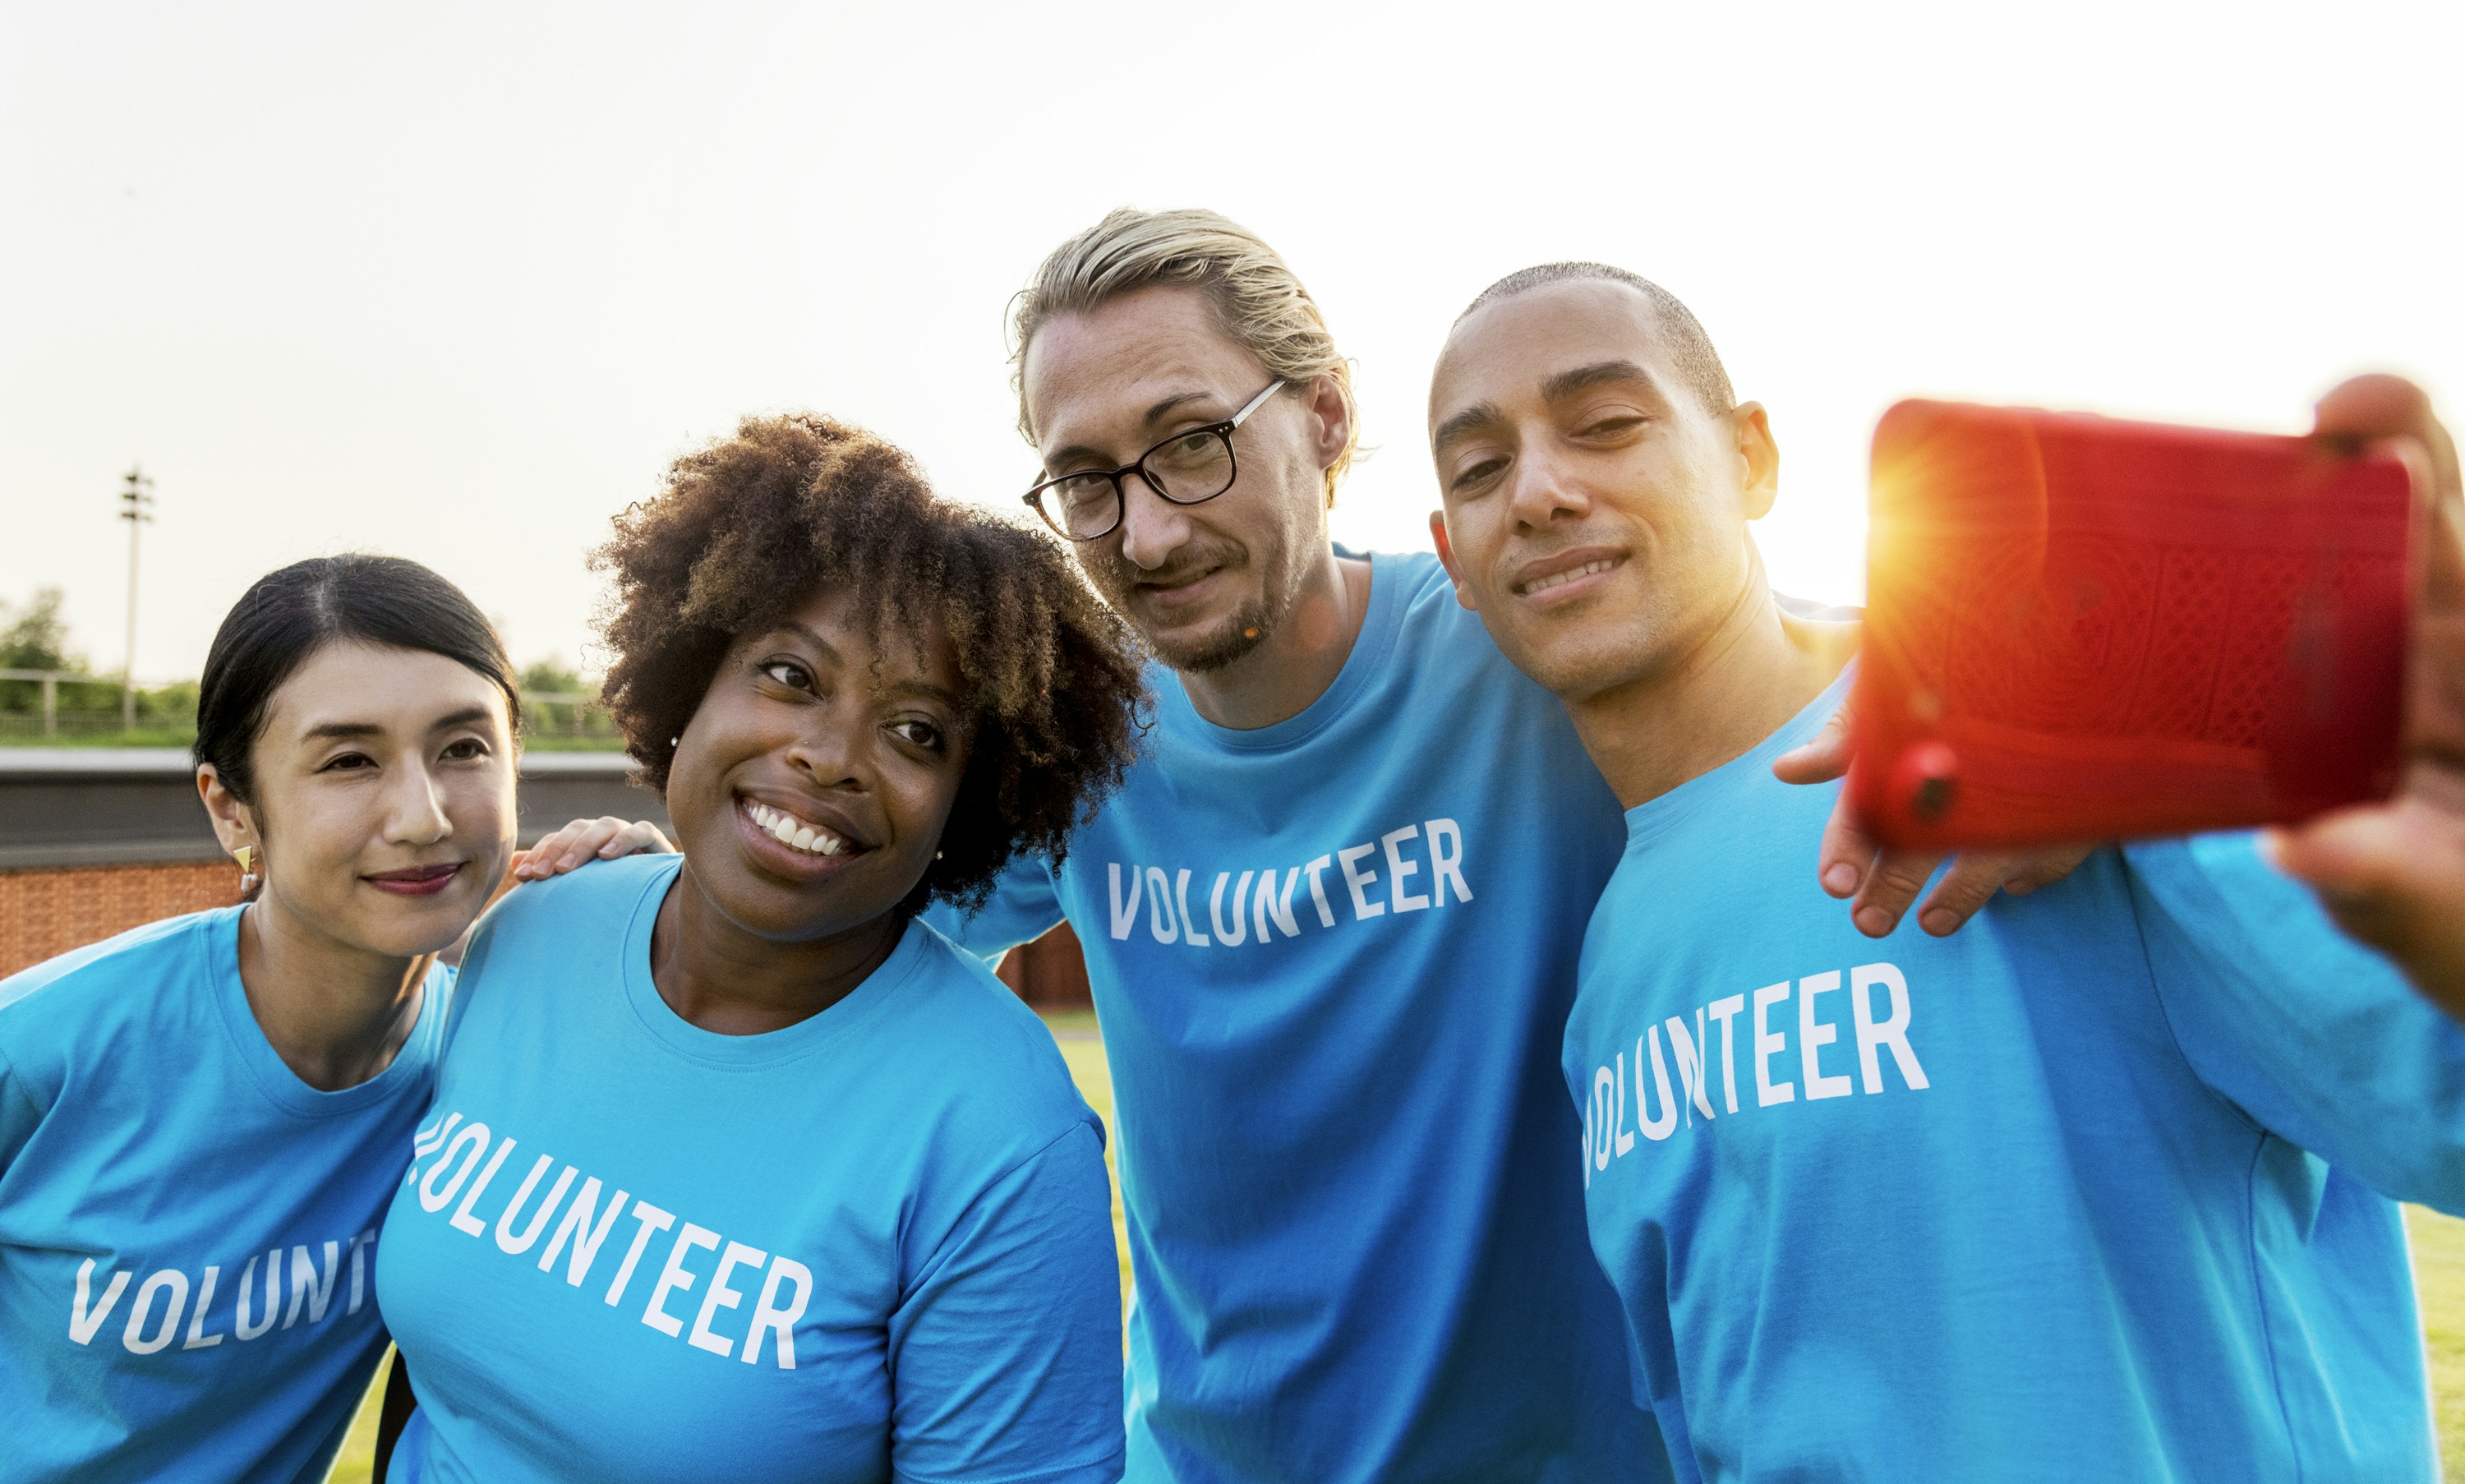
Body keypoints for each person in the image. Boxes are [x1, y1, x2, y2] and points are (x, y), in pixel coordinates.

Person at [932, 209, 2066, 1483]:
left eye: (1192, 444)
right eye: (1087, 479)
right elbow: (830, 910)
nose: (1146, 532)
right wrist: (657, 873)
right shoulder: (1077, 736)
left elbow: (1796, 667)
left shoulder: (1521, 635)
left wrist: (2008, 690)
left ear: (1323, 419)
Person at [1425, 260, 2465, 1480]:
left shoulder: (2061, 743)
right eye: (1482, 467)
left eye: (1605, 425)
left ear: (1752, 458)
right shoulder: (1609, 973)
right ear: (1452, 555)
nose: (1542, 491)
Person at [373, 412, 1141, 1484]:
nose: (829, 756)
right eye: (791, 674)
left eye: (918, 730)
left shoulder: (999, 1138)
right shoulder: (530, 934)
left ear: (973, 800)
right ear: (693, 678)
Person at [0, 555, 663, 1484]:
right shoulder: (41, 1049)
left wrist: (662, 922)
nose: (424, 815)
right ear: (233, 810)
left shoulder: (489, 1071)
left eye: (464, 748)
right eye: (349, 761)